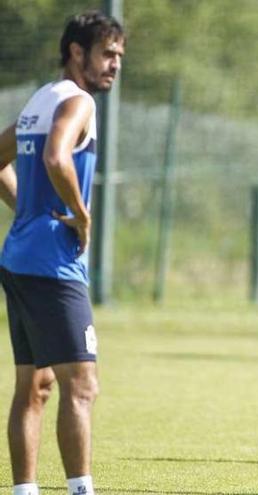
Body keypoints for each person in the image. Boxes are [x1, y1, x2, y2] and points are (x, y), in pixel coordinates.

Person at [0, 11, 124, 495]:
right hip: (53, 265)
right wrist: (80, 213)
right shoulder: (78, 102)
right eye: (106, 53)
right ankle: (80, 490)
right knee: (83, 384)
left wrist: (27, 207)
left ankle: (25, 491)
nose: (114, 64)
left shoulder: (41, 99)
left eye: (118, 56)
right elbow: (55, 156)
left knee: (34, 386)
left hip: (18, 259)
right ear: (77, 52)